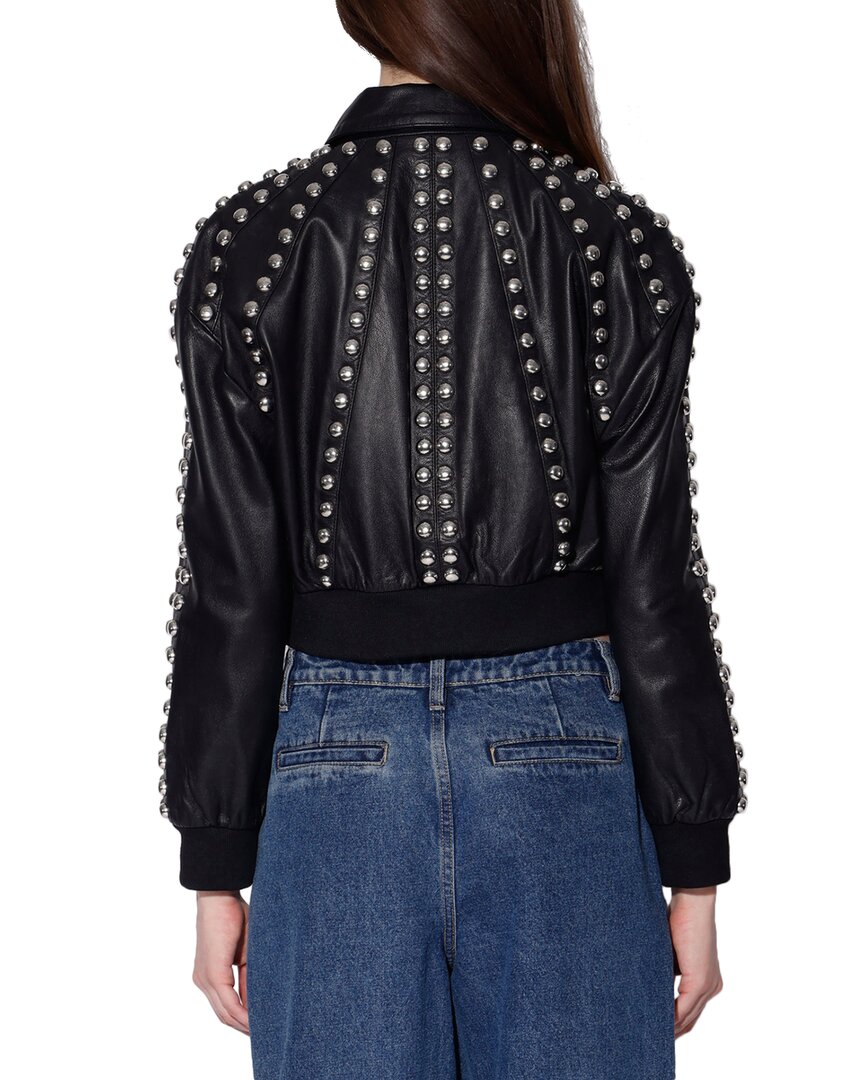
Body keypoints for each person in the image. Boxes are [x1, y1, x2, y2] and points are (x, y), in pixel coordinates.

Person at [158, 2, 747, 1076]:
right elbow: (655, 577)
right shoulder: (609, 238)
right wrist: (695, 864)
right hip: (563, 760)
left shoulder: (252, 247)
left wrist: (216, 862)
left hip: (334, 764)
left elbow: (229, 583)